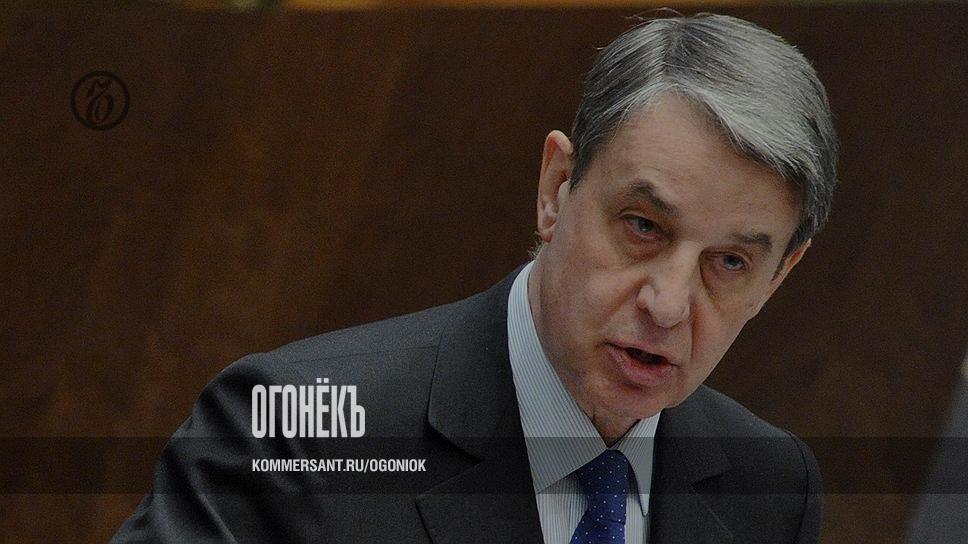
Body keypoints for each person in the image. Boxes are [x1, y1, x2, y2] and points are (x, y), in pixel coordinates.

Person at [112, 12, 836, 544]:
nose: (669, 304)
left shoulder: (771, 488)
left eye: (730, 263)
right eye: (643, 226)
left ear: (778, 277)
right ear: (555, 189)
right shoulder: (297, 434)